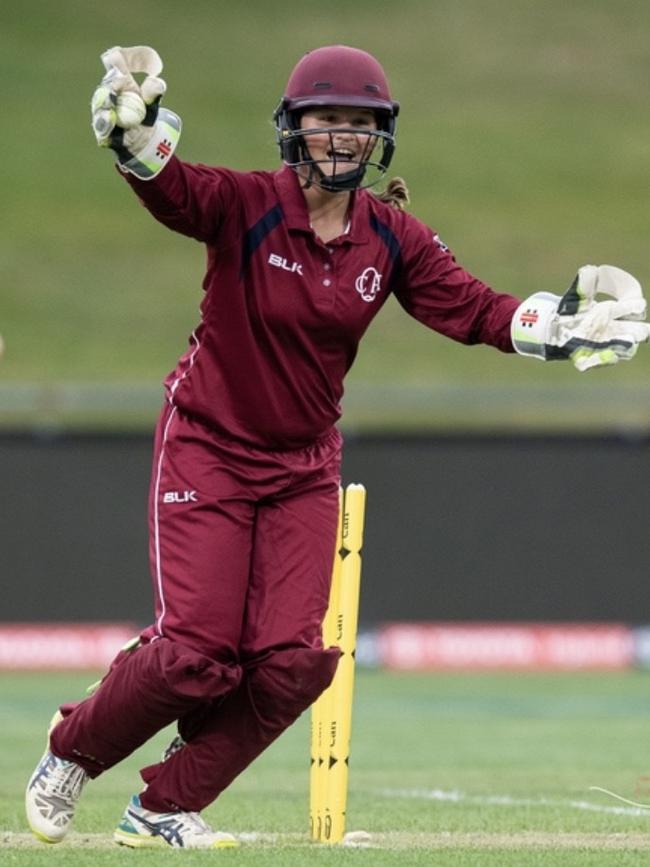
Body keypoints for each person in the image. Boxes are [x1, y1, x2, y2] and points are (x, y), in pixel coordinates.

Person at [25, 43, 649, 850]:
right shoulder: (246, 206)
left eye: (360, 124)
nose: (343, 137)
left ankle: (163, 807)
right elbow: (175, 190)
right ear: (294, 129)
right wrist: (133, 135)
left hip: (303, 467)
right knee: (195, 652)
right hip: (209, 443)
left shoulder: (388, 238)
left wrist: (563, 327)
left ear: (379, 137)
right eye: (327, 121)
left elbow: (477, 310)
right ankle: (69, 752)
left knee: (292, 664)